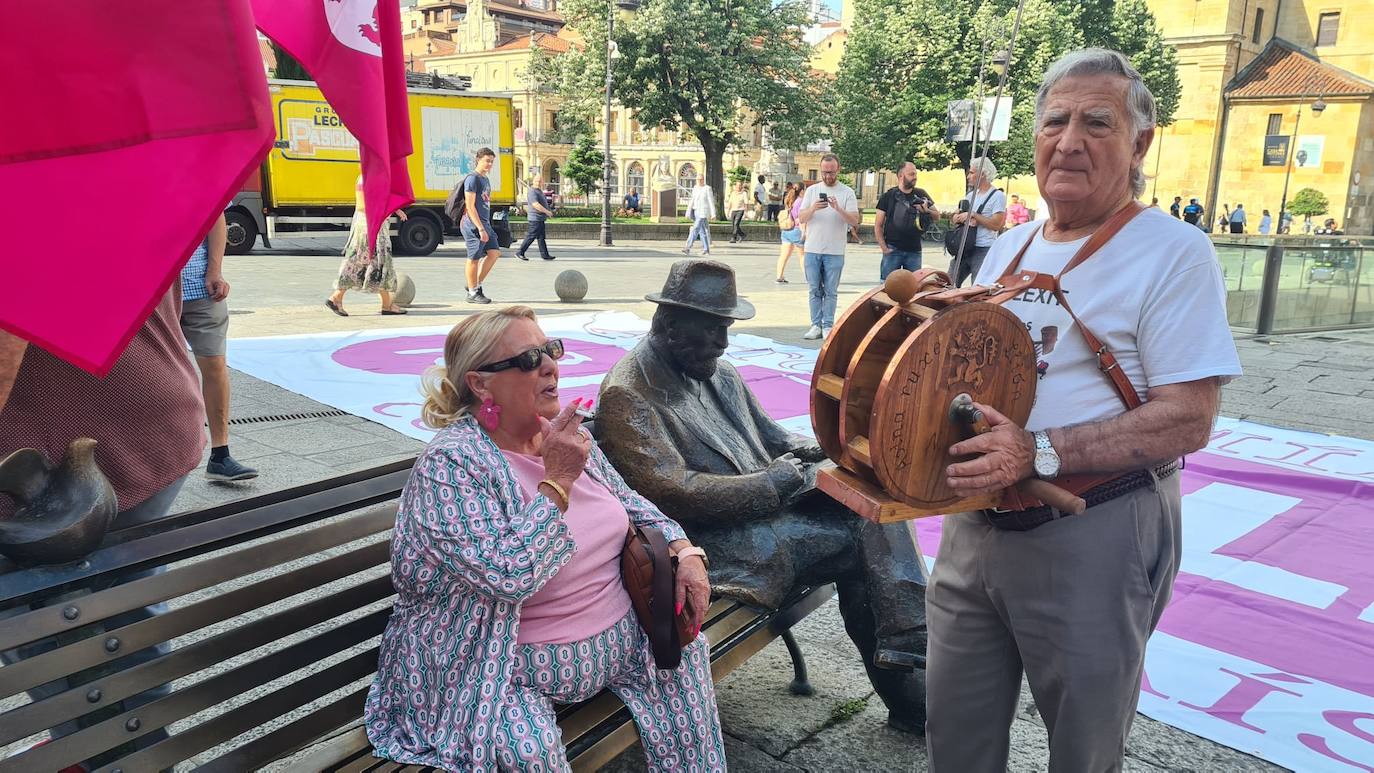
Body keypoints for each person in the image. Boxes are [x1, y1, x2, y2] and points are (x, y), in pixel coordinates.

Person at [924, 48, 1242, 771]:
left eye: (1097, 122)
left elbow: (1189, 418)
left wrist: (1037, 452)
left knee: (1083, 748)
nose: (1068, 140)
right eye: (1054, 121)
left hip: (1094, 528)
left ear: (1140, 144)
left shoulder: (1174, 251)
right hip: (975, 525)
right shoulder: (1010, 243)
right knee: (955, 734)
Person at [364, 307, 724, 771]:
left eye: (551, 349)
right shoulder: (451, 467)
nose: (551, 365)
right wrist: (557, 481)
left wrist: (685, 551)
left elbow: (632, 504)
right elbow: (509, 576)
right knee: (526, 753)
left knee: (688, 659)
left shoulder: (558, 437)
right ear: (480, 384)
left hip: (625, 638)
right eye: (529, 358)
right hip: (496, 670)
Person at [595, 260, 929, 735]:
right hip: (716, 544)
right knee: (863, 536)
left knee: (867, 503)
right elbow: (669, 492)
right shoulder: (628, 393)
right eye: (713, 329)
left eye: (726, 329)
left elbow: (776, 439)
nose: (724, 343)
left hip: (764, 513)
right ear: (669, 325)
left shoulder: (716, 370)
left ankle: (907, 648)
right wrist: (768, 486)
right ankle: (909, 667)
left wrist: (830, 450)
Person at [1, 280, 207, 766]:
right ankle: (105, 743)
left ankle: (111, 750)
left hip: (67, 464)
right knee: (118, 618)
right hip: (145, 410)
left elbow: (9, 318)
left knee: (63, 639)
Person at [180, 212, 258, 481]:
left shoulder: (197, 174)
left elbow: (214, 217)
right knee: (158, 375)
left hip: (200, 288)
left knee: (215, 365)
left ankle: (220, 455)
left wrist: (215, 270)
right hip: (154, 293)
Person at [797, 153, 860, 340]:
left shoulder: (847, 192)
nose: (827, 176)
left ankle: (828, 324)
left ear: (838, 170)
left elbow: (855, 220)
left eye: (831, 173)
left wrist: (838, 209)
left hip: (835, 250)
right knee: (814, 288)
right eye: (824, 172)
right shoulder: (812, 191)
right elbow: (800, 218)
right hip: (812, 248)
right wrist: (813, 208)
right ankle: (815, 324)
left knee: (831, 290)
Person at [326, 174, 409, 316]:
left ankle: (386, 304)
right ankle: (336, 297)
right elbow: (373, 202)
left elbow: (373, 199)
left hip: (364, 226)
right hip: (374, 227)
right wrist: (395, 208)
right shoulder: (374, 177)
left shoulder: (363, 176)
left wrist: (396, 209)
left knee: (367, 265)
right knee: (378, 264)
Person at [949, 156, 1008, 286]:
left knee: (978, 289)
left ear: (982, 174)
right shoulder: (970, 195)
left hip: (983, 248)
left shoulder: (997, 196)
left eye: (971, 172)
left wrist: (974, 216)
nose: (968, 176)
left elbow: (997, 225)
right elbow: (956, 214)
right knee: (948, 283)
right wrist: (957, 217)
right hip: (965, 246)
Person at [874, 162, 939, 279]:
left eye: (915, 174)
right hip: (892, 249)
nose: (915, 177)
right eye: (911, 174)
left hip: (914, 250)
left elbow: (937, 216)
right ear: (900, 176)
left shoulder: (921, 194)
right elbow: (878, 225)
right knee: (887, 288)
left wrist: (926, 210)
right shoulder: (888, 196)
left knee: (914, 288)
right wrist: (884, 248)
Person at [459, 147, 501, 304]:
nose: (489, 164)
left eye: (491, 161)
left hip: (484, 223)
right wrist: (480, 228)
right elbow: (470, 206)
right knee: (474, 258)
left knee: (494, 253)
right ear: (478, 160)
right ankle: (472, 293)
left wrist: (485, 225)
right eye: (487, 161)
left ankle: (474, 284)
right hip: (472, 224)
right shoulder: (472, 179)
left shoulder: (485, 179)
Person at [516, 172, 556, 261]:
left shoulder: (539, 190)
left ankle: (545, 255)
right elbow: (535, 204)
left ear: (542, 182)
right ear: (533, 181)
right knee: (531, 236)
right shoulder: (532, 191)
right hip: (535, 218)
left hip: (540, 218)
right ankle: (520, 252)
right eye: (537, 180)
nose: (538, 182)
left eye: (540, 181)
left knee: (541, 237)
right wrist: (547, 212)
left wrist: (548, 211)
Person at [776, 183, 804, 283]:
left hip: (786, 230)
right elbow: (801, 217)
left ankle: (779, 276)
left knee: (784, 255)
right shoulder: (800, 201)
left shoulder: (788, 200)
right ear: (801, 191)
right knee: (802, 256)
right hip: (796, 230)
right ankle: (809, 277)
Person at [682, 173, 716, 255]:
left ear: (703, 180)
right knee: (702, 231)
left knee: (695, 228)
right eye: (697, 179)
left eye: (701, 179)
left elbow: (711, 201)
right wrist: (688, 211)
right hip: (696, 211)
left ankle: (688, 247)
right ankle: (706, 249)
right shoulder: (695, 188)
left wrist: (713, 213)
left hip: (703, 212)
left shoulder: (707, 188)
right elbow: (692, 200)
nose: (699, 181)